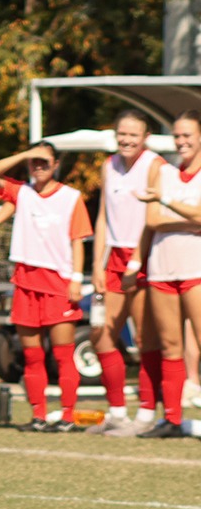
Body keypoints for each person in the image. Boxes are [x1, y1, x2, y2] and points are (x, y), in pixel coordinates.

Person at [0, 143, 92, 431]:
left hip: (58, 284)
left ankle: (67, 417)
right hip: (26, 283)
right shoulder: (22, 192)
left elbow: (78, 239)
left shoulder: (70, 197)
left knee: (63, 353)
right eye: (34, 162)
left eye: (44, 161)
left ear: (56, 165)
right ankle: (38, 416)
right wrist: (23, 155)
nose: (38, 166)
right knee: (31, 354)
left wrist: (77, 279)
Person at [86, 109, 163, 435]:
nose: (127, 140)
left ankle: (147, 414)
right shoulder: (109, 166)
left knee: (147, 339)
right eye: (122, 134)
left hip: (145, 257)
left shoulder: (155, 165)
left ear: (145, 137)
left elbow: (152, 217)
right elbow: (103, 216)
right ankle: (117, 411)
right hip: (113, 259)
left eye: (133, 134)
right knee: (101, 336)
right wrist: (97, 265)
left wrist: (135, 262)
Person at [135, 109, 201, 437]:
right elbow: (152, 221)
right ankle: (172, 419)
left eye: (187, 135)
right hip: (162, 268)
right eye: (177, 135)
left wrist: (167, 203)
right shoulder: (164, 173)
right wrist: (187, 217)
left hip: (196, 269)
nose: (181, 141)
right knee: (170, 346)